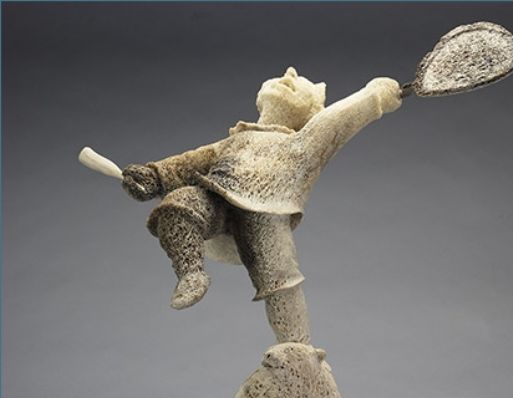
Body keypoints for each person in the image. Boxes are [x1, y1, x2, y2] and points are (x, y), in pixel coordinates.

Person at [121, 67, 402, 344]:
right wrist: (153, 176)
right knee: (177, 205)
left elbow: (339, 118)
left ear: (312, 112)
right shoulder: (236, 139)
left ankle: (298, 350)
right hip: (217, 199)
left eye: (300, 83)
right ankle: (191, 273)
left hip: (268, 215)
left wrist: (377, 94)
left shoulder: (305, 141)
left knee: (280, 284)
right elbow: (188, 162)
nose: (290, 73)